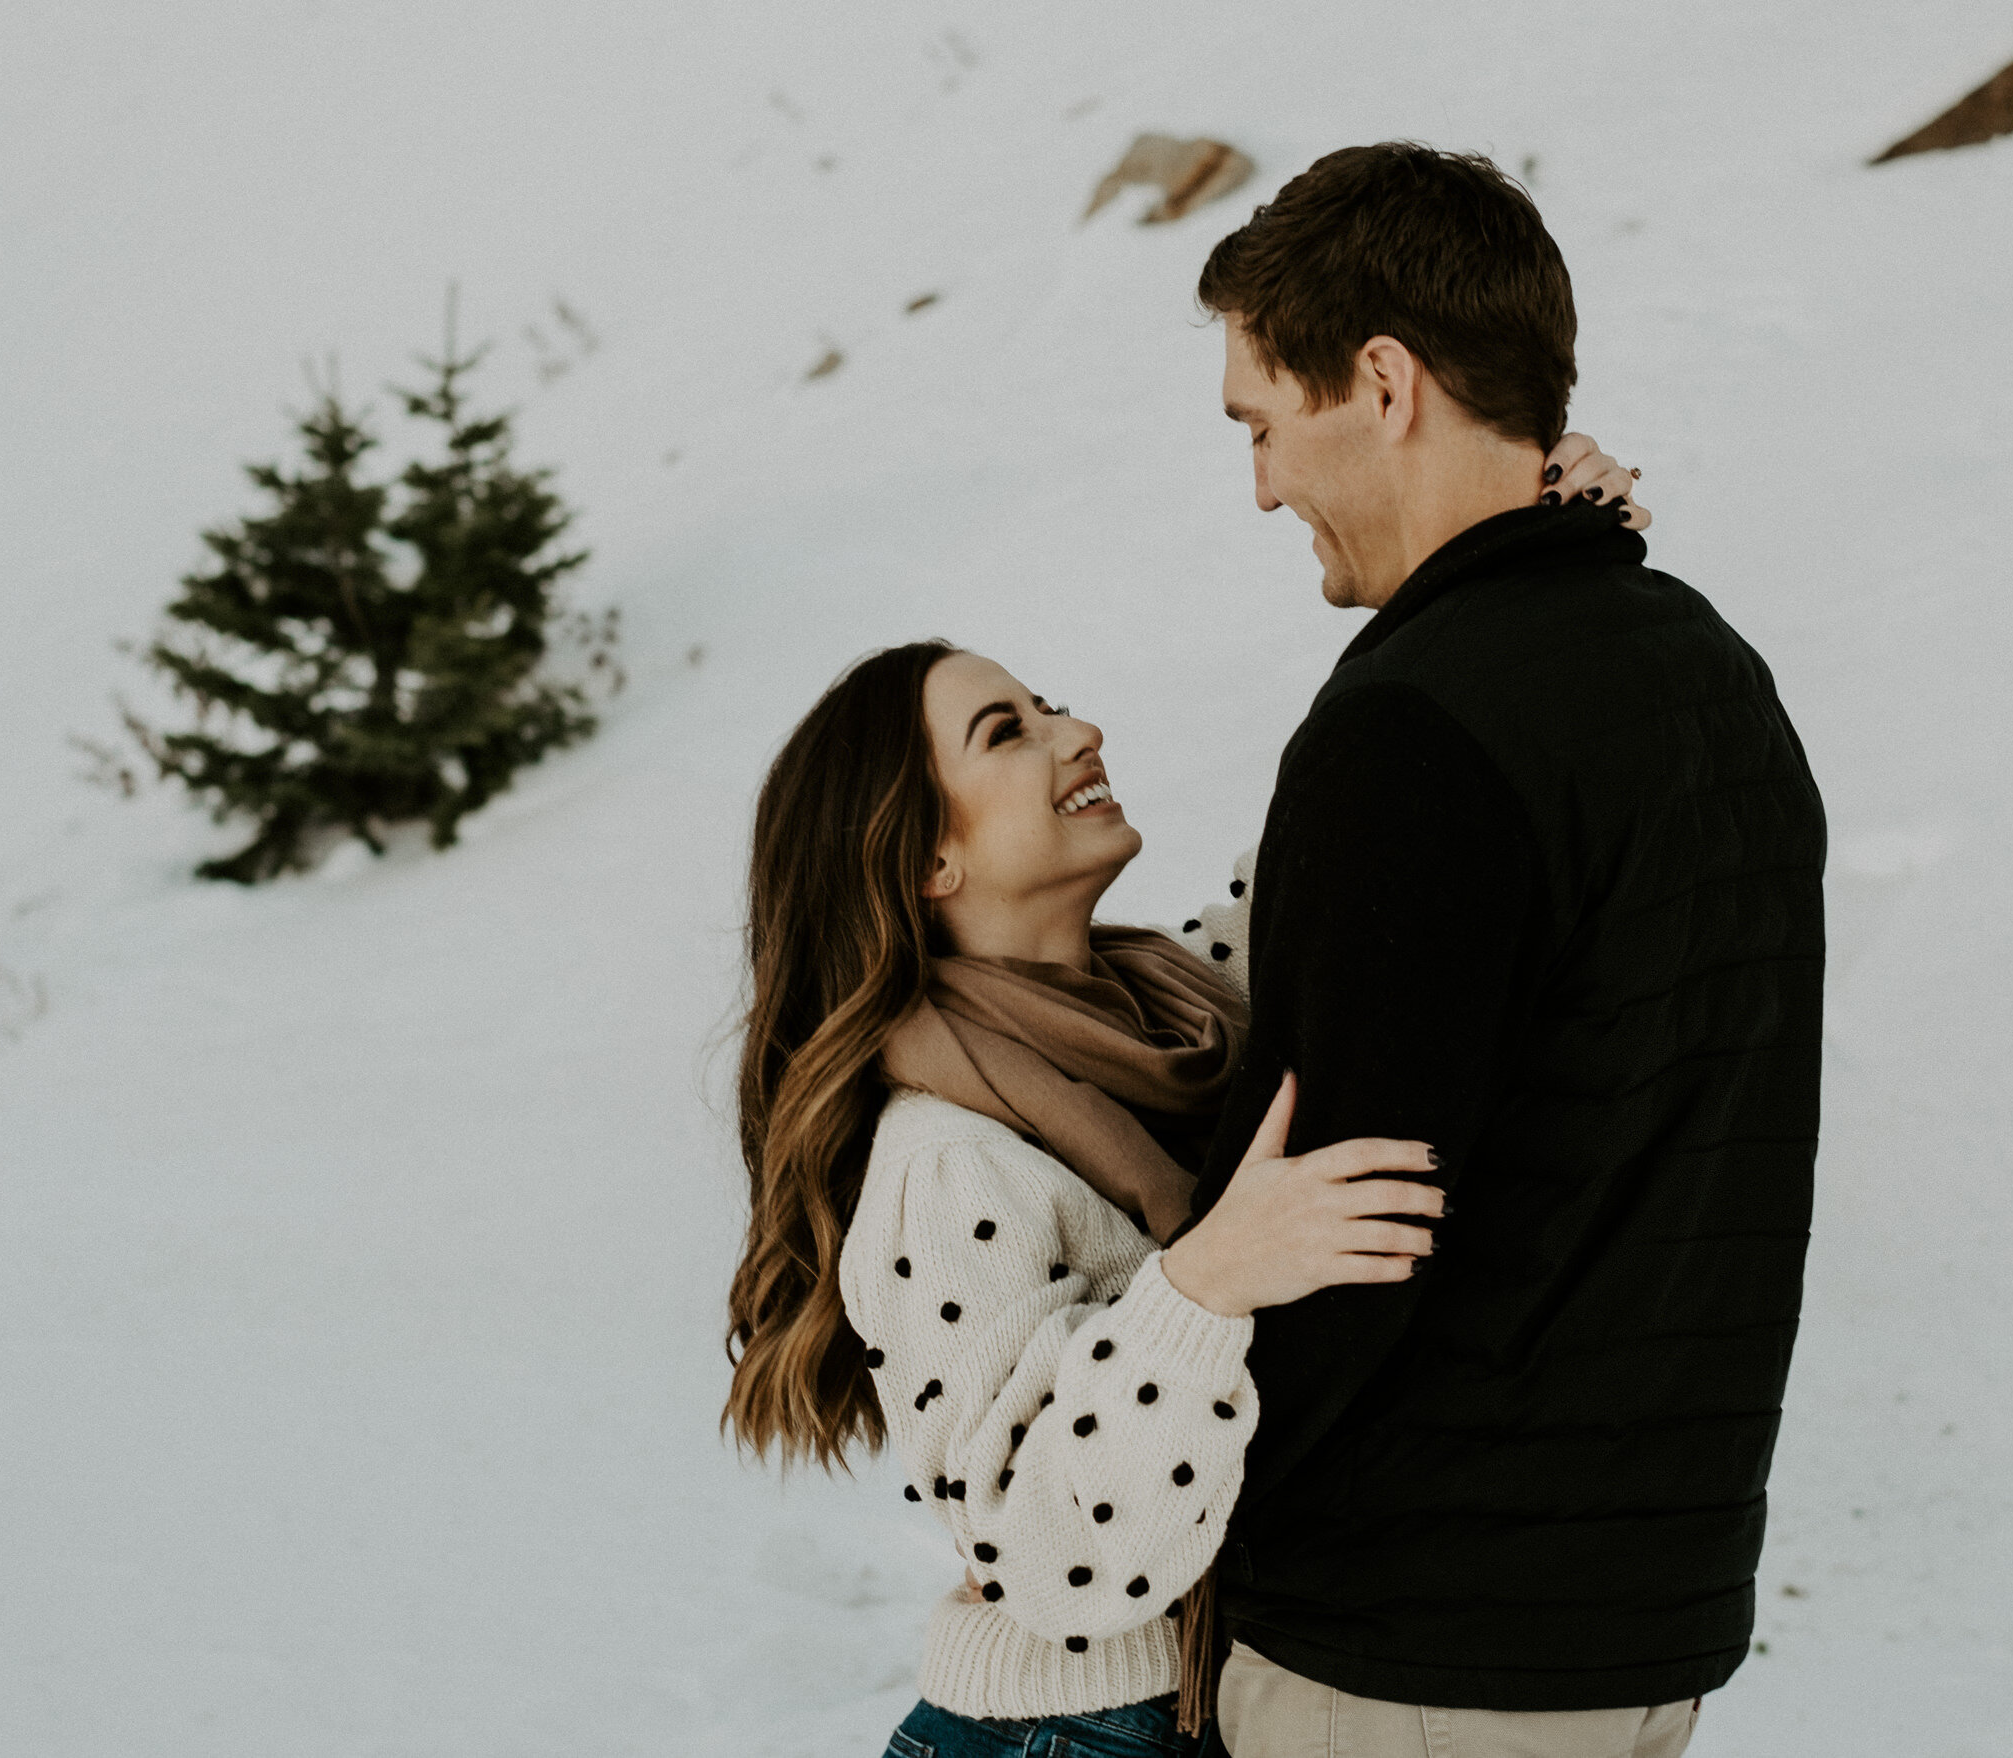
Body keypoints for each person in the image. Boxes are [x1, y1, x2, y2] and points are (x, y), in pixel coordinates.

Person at [717, 440, 1634, 1758]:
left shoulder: (1163, 1014)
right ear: (924, 854)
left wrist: (1504, 556)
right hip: (1068, 1735)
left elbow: (1333, 855)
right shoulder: (945, 1162)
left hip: (1199, 1702)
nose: (1077, 731)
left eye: (1051, 703)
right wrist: (1206, 1284)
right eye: (1006, 731)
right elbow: (1047, 1560)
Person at [1181, 144, 1828, 1758]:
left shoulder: (1413, 727)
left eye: (1262, 423)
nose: (1261, 486)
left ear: (1382, 381)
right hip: (1639, 1626)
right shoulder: (1714, 677)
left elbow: (1337, 1220)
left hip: (1406, 1656)